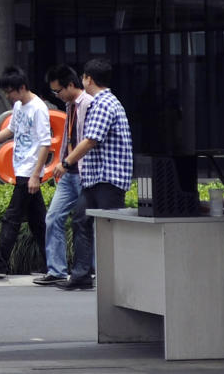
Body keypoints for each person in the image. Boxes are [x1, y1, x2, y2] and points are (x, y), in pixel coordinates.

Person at [53, 58, 133, 290]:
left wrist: (66, 163)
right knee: (81, 220)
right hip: (96, 178)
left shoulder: (103, 103)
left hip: (108, 178)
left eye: (84, 77)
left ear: (88, 79)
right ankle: (81, 275)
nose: (82, 80)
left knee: (107, 229)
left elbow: (90, 140)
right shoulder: (104, 102)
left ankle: (115, 280)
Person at [0, 66, 51, 276]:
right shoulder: (19, 106)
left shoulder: (38, 108)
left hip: (29, 171)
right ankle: (52, 264)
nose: (8, 96)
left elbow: (46, 144)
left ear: (22, 87)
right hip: (22, 169)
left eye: (10, 91)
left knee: (12, 217)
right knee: (38, 222)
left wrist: (36, 175)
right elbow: (12, 130)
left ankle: (0, 263)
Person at [33, 65, 92, 286]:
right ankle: (57, 270)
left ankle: (90, 270)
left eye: (58, 91)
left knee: (85, 223)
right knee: (53, 217)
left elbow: (88, 140)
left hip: (85, 173)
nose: (56, 96)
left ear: (70, 85)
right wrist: (61, 162)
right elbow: (70, 138)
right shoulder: (70, 106)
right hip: (69, 173)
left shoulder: (87, 103)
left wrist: (66, 163)